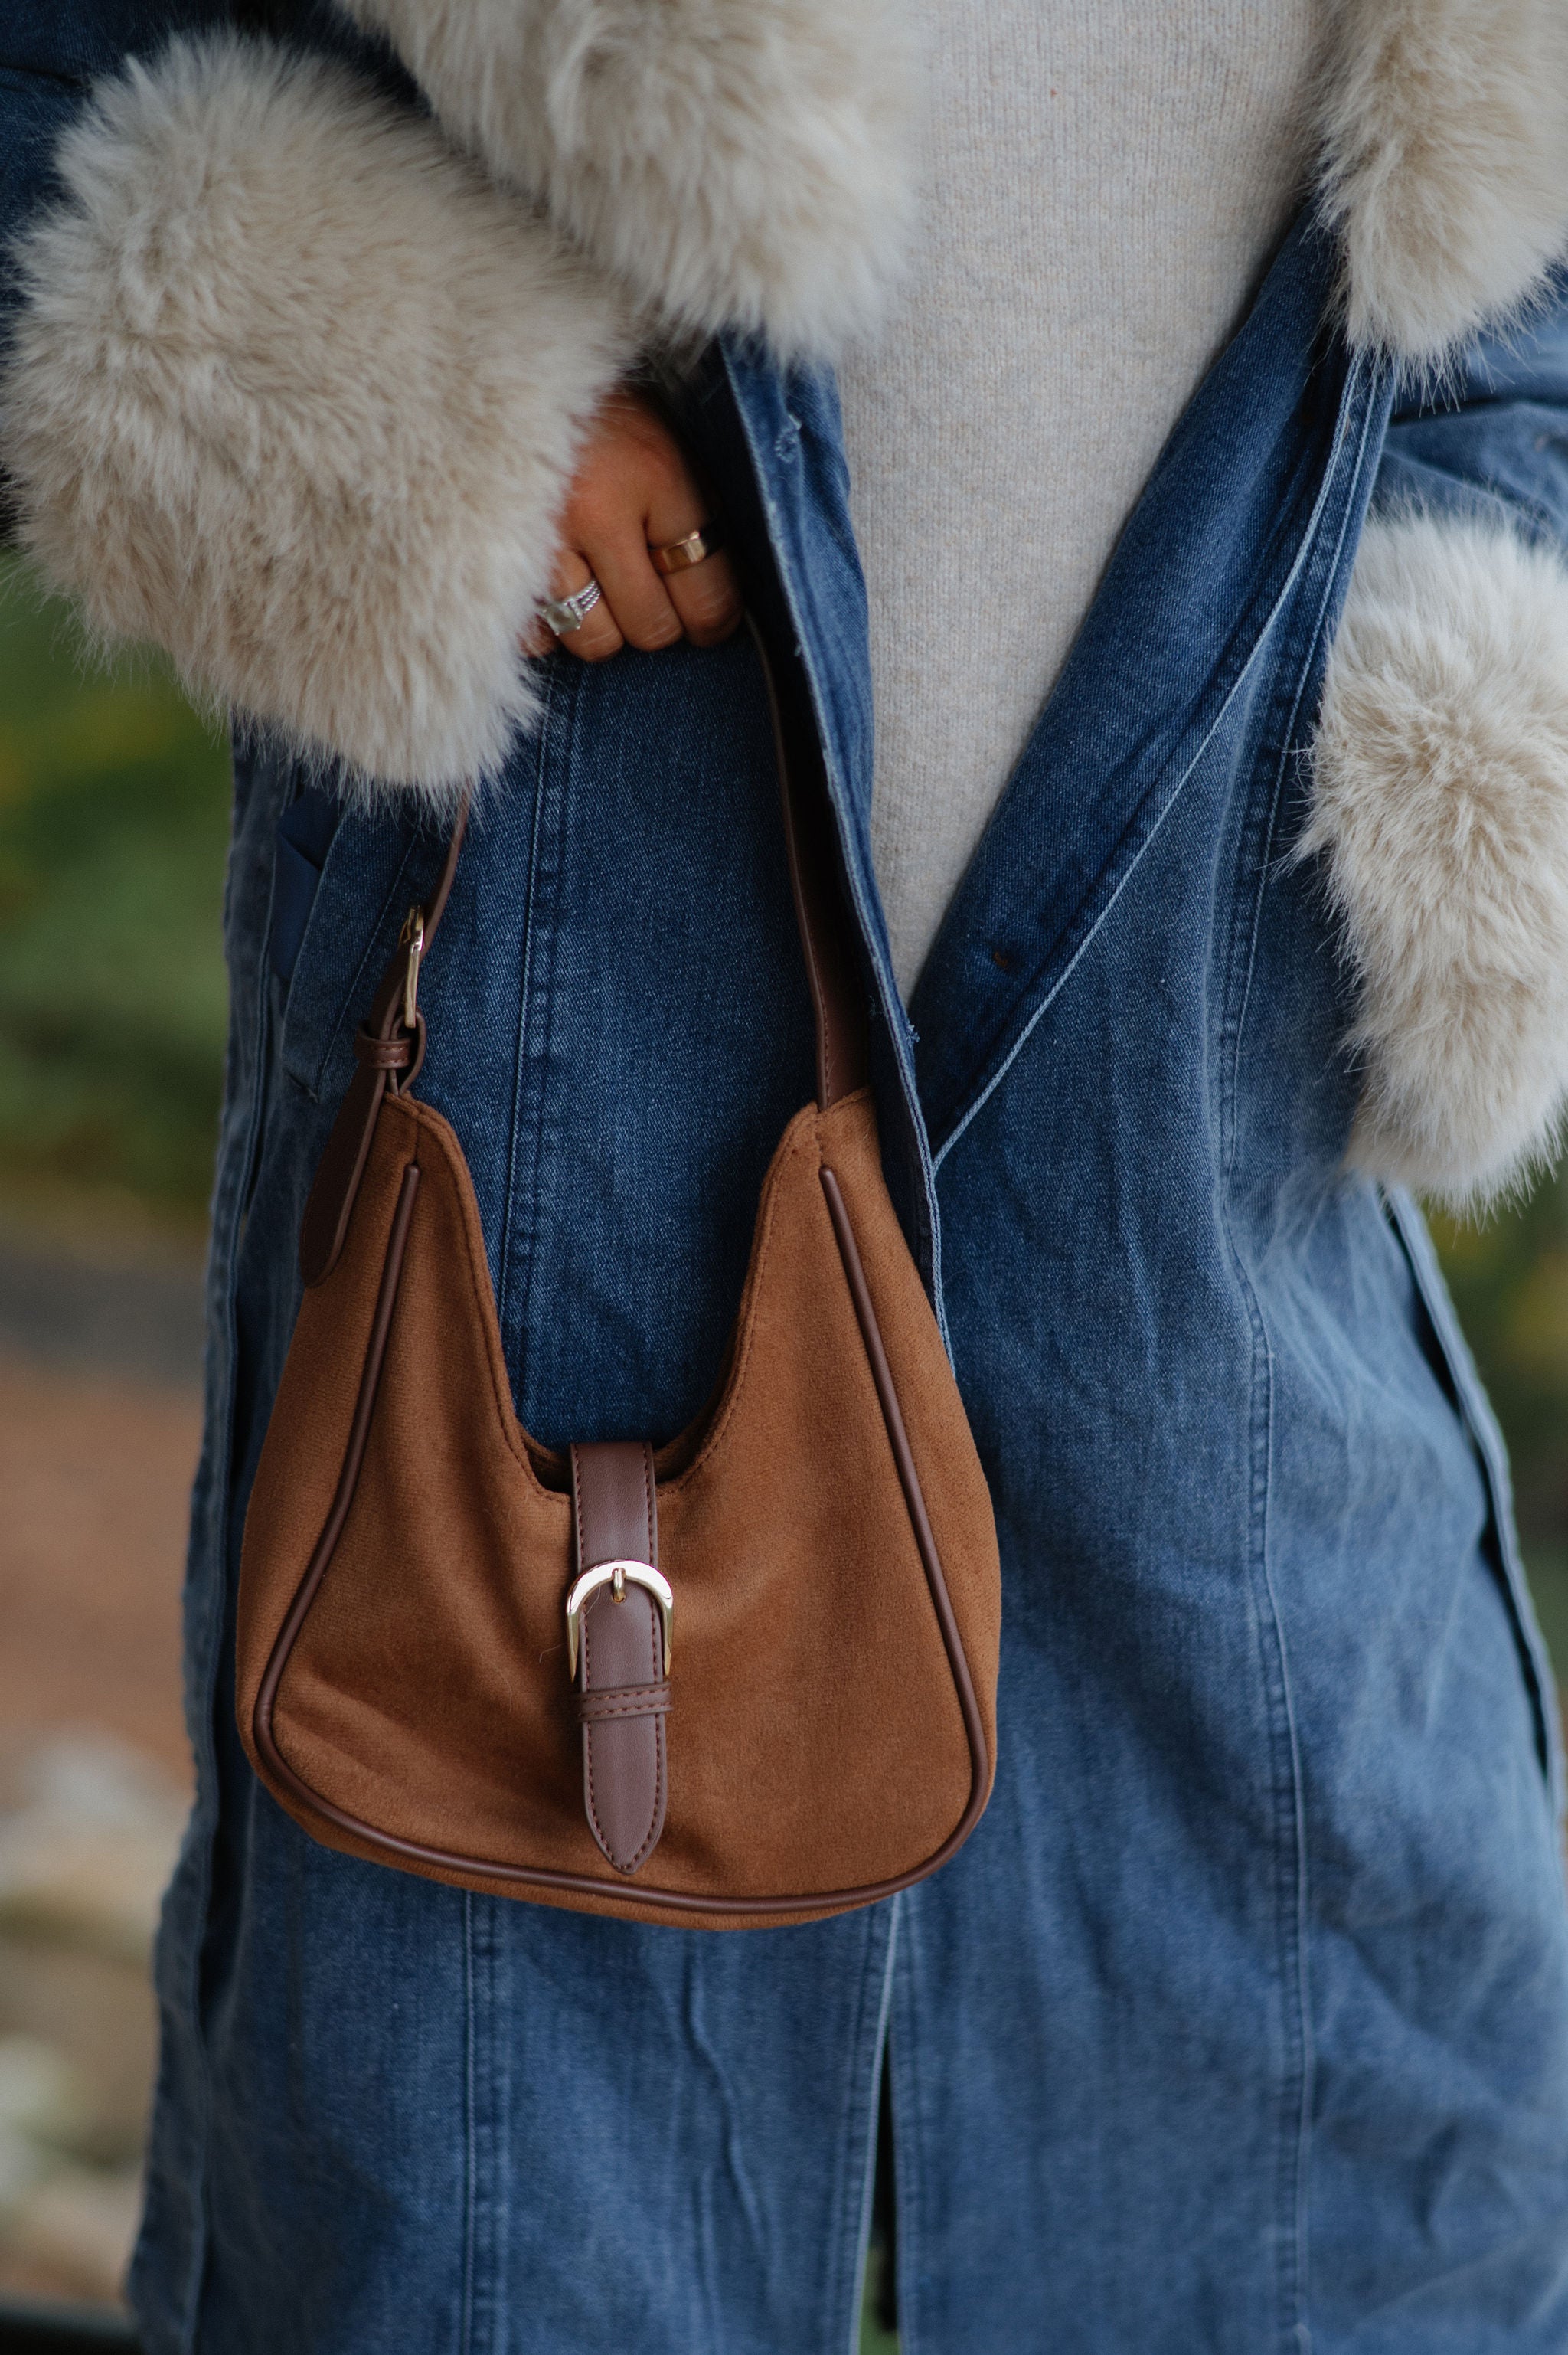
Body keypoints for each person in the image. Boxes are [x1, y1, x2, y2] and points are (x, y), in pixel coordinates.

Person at [3, 2, 1568, 2345]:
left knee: (1345, 2217)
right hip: (544, 1232)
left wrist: (1486, 610)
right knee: (499, 2238)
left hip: (1212, 1239)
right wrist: (388, 413)